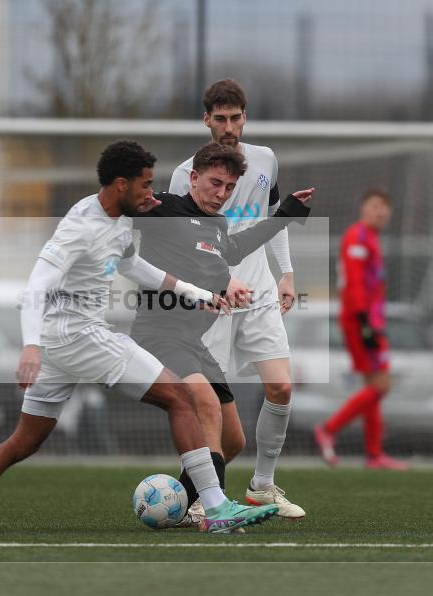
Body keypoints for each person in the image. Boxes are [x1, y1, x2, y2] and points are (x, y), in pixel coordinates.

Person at [0, 140, 279, 534]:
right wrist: (29, 345)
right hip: (80, 338)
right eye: (145, 185)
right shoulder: (81, 226)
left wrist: (198, 293)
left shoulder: (120, 219)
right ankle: (216, 508)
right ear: (121, 185)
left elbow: (136, 267)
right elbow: (37, 286)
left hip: (60, 345)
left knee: (22, 442)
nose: (151, 194)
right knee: (181, 398)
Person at [131, 142, 314, 527]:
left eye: (229, 187)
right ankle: (217, 510)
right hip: (160, 334)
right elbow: (122, 213)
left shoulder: (217, 226)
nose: (221, 194)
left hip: (193, 342)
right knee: (207, 406)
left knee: (234, 440)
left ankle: (184, 501)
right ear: (193, 178)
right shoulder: (164, 208)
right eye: (215, 183)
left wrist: (284, 214)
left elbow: (235, 250)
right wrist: (126, 202)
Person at [168, 79, 305, 519]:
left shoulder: (265, 160)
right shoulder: (184, 173)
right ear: (206, 120)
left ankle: (262, 486)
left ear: (245, 117)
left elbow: (273, 217)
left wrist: (286, 273)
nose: (229, 127)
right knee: (212, 413)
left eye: (236, 118)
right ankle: (196, 497)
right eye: (220, 119)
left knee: (281, 386)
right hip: (214, 300)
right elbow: (179, 241)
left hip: (259, 290)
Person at [314, 188, 408, 470]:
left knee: (373, 386)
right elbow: (354, 282)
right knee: (382, 385)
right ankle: (328, 429)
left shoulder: (371, 238)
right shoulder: (358, 237)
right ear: (363, 208)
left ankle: (374, 455)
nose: (381, 211)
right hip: (360, 320)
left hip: (368, 319)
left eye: (385, 207)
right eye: (376, 205)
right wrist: (366, 322)